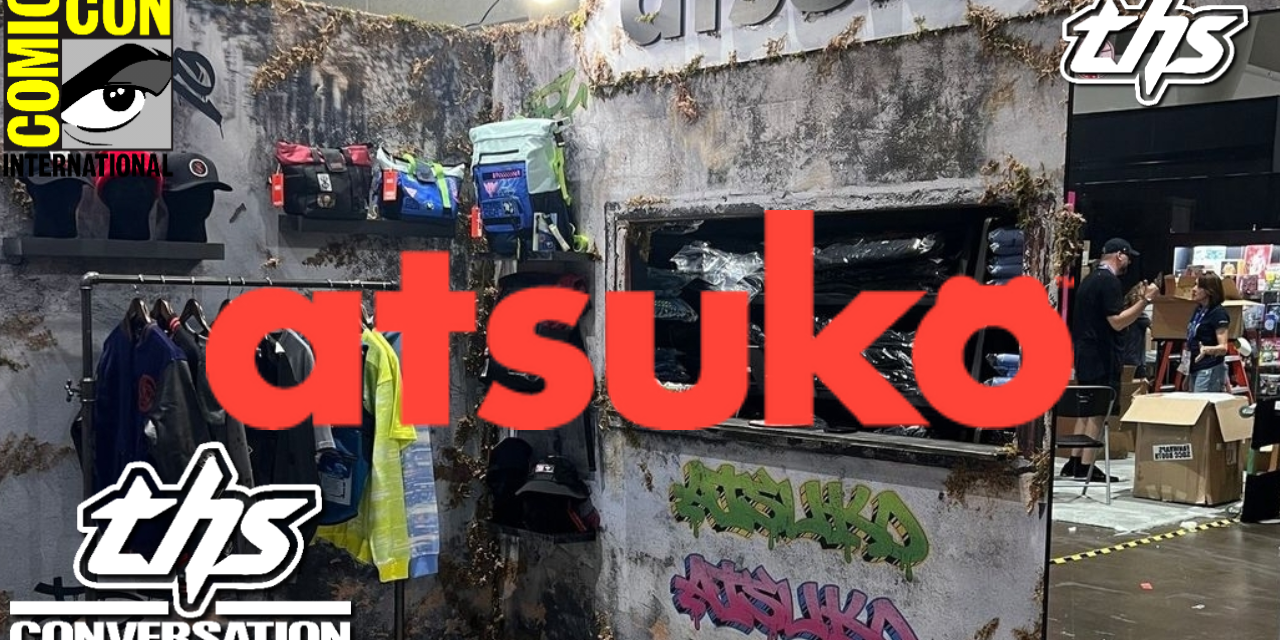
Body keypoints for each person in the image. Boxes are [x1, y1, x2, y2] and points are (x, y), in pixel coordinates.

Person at [1065, 238, 1158, 481]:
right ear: (1119, 255)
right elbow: (1116, 322)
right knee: (1098, 412)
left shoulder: (1089, 280)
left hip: (1084, 354)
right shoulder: (1108, 282)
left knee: (1085, 410)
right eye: (1128, 257)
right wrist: (1145, 300)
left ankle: (1074, 462)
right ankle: (1086, 467)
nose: (1129, 262)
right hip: (1102, 356)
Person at [1185, 273, 1231, 392]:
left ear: (1209, 291)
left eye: (1198, 286)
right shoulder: (1199, 310)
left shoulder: (1218, 313)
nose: (1194, 289)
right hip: (1194, 366)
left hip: (1209, 367)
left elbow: (1223, 348)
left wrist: (1206, 350)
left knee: (1203, 402)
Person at [1122, 283, 1152, 381]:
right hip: (1136, 361)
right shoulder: (1140, 316)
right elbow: (1156, 330)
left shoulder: (1122, 313)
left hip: (1122, 358)